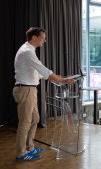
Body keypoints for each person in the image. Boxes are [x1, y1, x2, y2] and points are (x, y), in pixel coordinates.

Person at [13, 27, 76, 161]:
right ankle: (21, 153)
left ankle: (30, 147)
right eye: (43, 38)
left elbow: (39, 73)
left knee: (35, 119)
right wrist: (60, 79)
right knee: (25, 122)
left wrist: (59, 79)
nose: (45, 41)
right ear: (34, 37)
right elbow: (43, 70)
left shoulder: (30, 50)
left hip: (30, 89)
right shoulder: (27, 51)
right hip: (25, 89)